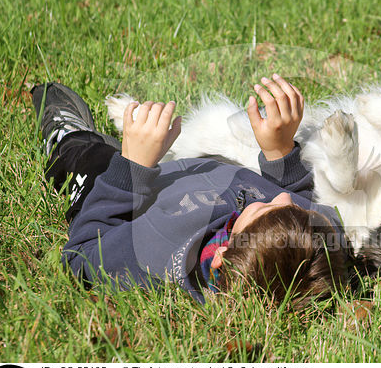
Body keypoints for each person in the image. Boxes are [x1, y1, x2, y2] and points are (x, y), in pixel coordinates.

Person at [33, 75, 350, 309]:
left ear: (221, 257)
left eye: (266, 210)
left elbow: (81, 255)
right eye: (296, 208)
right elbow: (298, 198)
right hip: (206, 172)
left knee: (89, 156)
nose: (283, 197)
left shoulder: (150, 258)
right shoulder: (316, 245)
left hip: (120, 191)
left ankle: (69, 136)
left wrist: (132, 165)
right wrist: (280, 150)